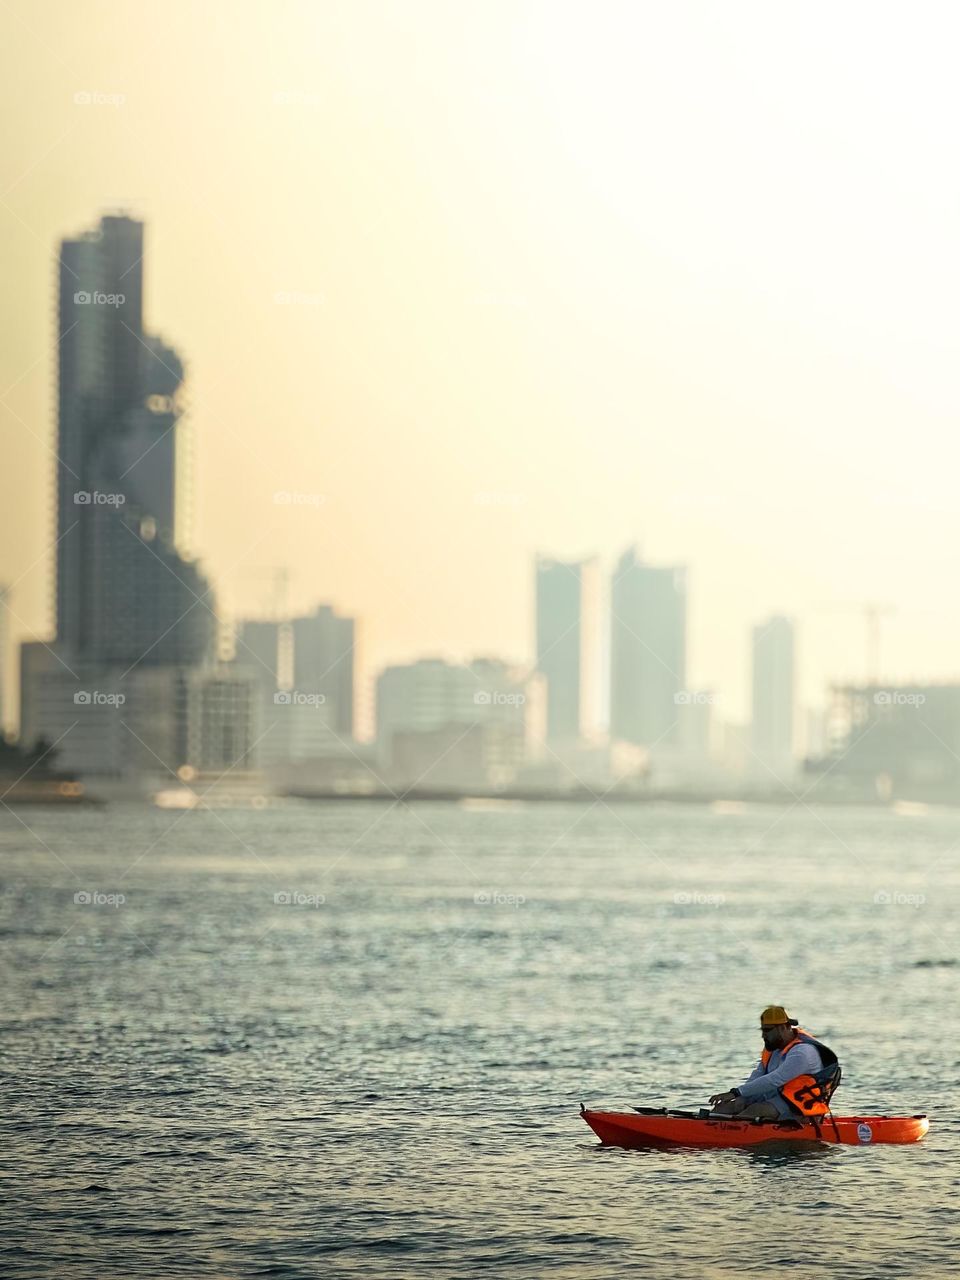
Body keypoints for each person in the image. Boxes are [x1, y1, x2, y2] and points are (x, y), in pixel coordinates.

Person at [708, 1006, 840, 1120]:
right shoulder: (772, 1048)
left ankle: (731, 1136)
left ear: (783, 1028)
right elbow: (757, 1076)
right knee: (730, 1106)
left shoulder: (802, 1052)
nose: (763, 1036)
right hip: (776, 1097)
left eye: (767, 1031)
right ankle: (710, 1128)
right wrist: (738, 1097)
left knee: (755, 1111)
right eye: (763, 1030)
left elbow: (775, 1079)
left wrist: (735, 1092)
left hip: (797, 1106)